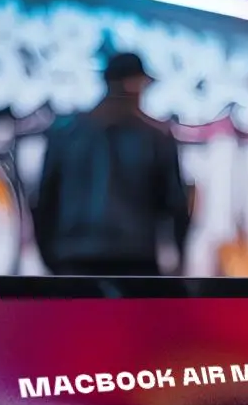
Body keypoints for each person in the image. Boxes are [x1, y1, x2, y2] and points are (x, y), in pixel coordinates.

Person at [32, 53, 190, 277]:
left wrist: (49, 256)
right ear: (134, 84)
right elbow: (175, 205)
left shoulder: (65, 133)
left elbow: (44, 200)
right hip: (134, 261)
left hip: (72, 259)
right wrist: (180, 261)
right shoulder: (156, 137)